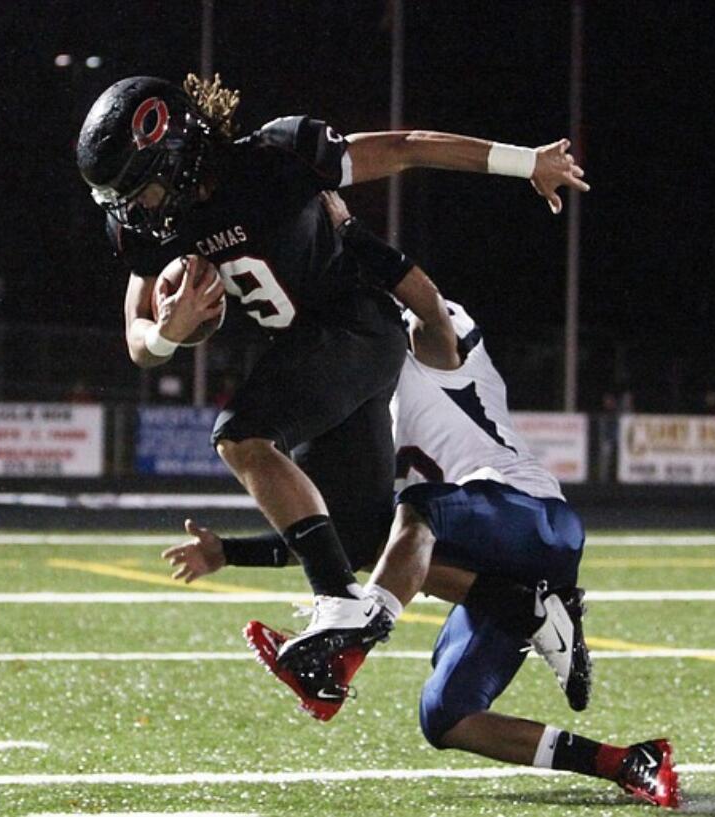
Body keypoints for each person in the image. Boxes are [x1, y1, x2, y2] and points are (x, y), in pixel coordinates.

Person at [76, 74, 589, 678]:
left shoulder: (276, 157)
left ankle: (339, 604)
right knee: (362, 540)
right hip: (317, 348)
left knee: (241, 435)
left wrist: (524, 161)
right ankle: (526, 608)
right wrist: (169, 329)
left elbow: (408, 146)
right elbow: (141, 345)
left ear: (180, 154)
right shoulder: (155, 226)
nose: (137, 211)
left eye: (143, 190)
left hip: (358, 325)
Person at [165, 208, 678, 807]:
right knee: (445, 717)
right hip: (484, 558)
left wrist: (350, 234)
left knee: (417, 509)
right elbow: (348, 542)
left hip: (532, 518)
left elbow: (430, 309)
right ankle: (626, 760)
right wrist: (230, 552)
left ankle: (353, 647)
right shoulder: (358, 389)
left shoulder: (414, 338)